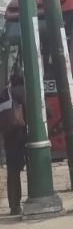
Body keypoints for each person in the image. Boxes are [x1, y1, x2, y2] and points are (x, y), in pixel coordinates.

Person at [1, 74, 27, 215]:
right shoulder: (27, 91)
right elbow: (46, 112)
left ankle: (14, 205)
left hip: (10, 137)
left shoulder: (5, 94)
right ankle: (35, 196)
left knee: (13, 172)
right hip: (27, 136)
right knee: (36, 168)